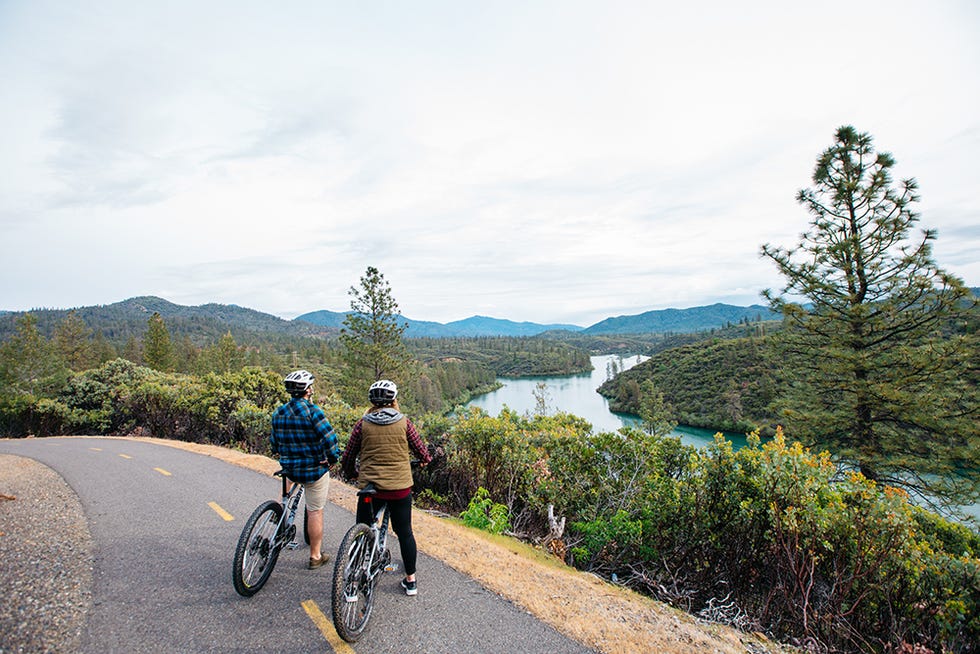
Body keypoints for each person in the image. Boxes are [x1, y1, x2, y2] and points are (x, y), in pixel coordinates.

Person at [341, 379, 432, 596]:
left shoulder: (362, 424)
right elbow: (421, 451)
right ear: (394, 400)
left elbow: (348, 456)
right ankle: (411, 581)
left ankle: (352, 584)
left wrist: (352, 473)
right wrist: (425, 460)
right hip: (399, 488)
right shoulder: (404, 423)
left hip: (370, 488)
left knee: (361, 530)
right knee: (405, 533)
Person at [270, 369, 340, 569]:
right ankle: (315, 555)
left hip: (289, 467)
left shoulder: (279, 412)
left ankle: (276, 517)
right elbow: (330, 439)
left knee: (285, 491)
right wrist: (333, 458)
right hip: (312, 469)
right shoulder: (313, 411)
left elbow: (274, 443)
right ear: (307, 390)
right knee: (315, 511)